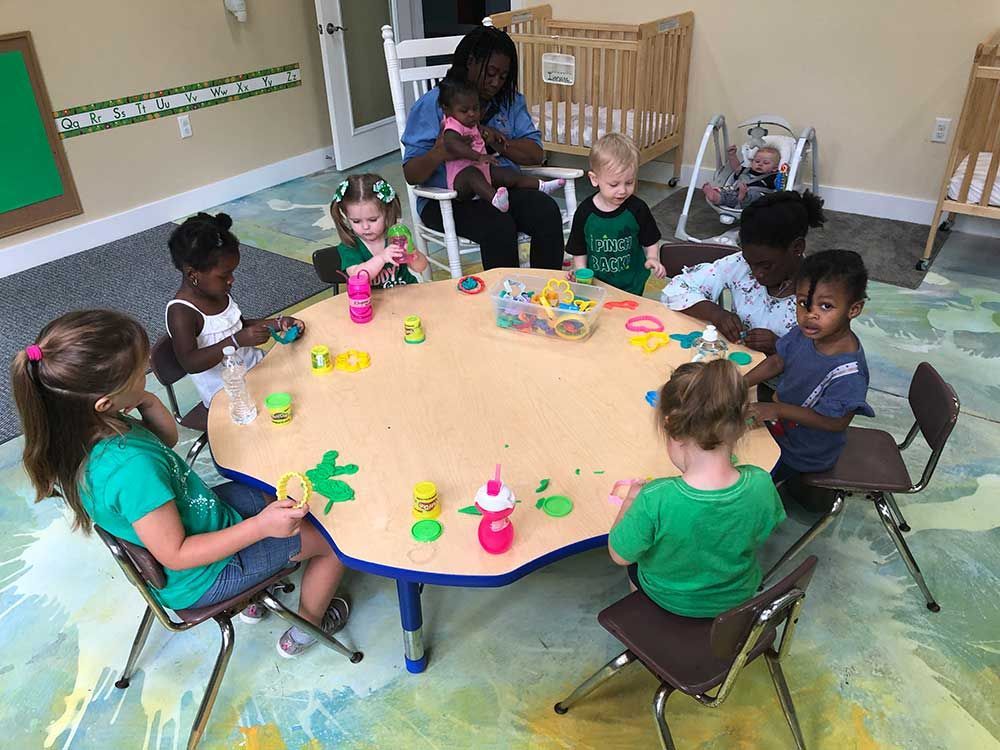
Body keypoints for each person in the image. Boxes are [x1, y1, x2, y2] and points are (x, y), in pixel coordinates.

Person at [11, 310, 349, 658]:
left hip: (204, 519)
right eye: (140, 373)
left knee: (273, 489)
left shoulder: (83, 429)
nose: (150, 373)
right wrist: (261, 527)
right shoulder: (130, 467)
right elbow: (177, 553)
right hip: (203, 576)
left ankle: (256, 592)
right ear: (105, 402)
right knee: (334, 540)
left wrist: (143, 399)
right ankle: (310, 624)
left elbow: (166, 441)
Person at [607, 359, 786, 617]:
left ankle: (647, 620)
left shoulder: (655, 498)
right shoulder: (760, 482)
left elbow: (620, 555)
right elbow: (760, 532)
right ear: (740, 426)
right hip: (737, 600)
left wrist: (630, 500)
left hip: (669, 601)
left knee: (634, 567)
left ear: (672, 428)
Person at [402, 25, 565, 270]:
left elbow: (535, 154)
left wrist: (494, 140)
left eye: (503, 76)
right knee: (498, 224)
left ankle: (547, 293)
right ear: (471, 63)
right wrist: (439, 152)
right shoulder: (435, 105)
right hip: (448, 199)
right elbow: (411, 173)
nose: (496, 82)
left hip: (499, 188)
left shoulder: (509, 102)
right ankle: (504, 301)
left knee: (546, 210)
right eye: (491, 72)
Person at [745, 249, 874, 509]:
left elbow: (836, 422)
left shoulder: (849, 372)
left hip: (804, 451)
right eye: (803, 303)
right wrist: (739, 383)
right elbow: (778, 360)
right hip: (778, 428)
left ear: (854, 309)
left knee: (745, 491)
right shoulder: (807, 333)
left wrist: (776, 408)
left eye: (825, 306)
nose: (810, 314)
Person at [660, 190, 826, 355]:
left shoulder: (823, 292)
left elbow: (832, 357)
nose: (756, 274)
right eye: (750, 263)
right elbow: (676, 289)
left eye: (766, 266)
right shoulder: (740, 265)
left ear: (797, 248)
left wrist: (781, 346)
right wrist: (716, 314)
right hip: (735, 369)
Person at [166, 212, 305, 407]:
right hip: (228, 392)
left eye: (232, 272)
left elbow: (238, 326)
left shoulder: (217, 291)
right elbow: (190, 362)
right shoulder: (181, 312)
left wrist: (278, 323)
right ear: (192, 274)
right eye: (224, 276)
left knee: (307, 381)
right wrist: (236, 341)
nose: (232, 280)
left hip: (257, 369)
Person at [437, 74, 565, 213]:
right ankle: (495, 200)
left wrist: (495, 135)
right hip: (461, 180)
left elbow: (482, 131)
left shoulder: (470, 122)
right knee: (472, 174)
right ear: (447, 110)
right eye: (465, 110)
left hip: (482, 171)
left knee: (507, 175)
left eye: (476, 108)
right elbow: (451, 144)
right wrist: (477, 157)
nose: (472, 114)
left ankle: (541, 186)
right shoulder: (452, 125)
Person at [566, 133, 665, 296]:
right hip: (596, 282)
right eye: (614, 184)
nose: (622, 190)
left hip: (632, 282)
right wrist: (580, 270)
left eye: (629, 182)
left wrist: (653, 257)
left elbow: (650, 239)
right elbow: (579, 247)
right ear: (594, 179)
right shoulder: (585, 212)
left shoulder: (637, 209)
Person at [331, 173, 428, 288]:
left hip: (405, 295)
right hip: (372, 302)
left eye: (372, 220)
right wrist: (381, 258)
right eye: (356, 221)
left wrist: (413, 254)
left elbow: (421, 267)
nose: (365, 227)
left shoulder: (395, 236)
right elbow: (358, 277)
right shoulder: (350, 246)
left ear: (387, 212)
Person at [702, 144, 782, 209]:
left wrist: (784, 173)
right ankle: (715, 196)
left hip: (755, 198)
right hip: (736, 194)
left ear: (775, 168)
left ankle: (743, 197)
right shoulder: (746, 170)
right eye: (757, 161)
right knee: (727, 192)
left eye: (766, 163)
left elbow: (780, 185)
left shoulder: (772, 177)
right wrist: (732, 155)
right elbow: (736, 167)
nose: (760, 164)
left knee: (757, 196)